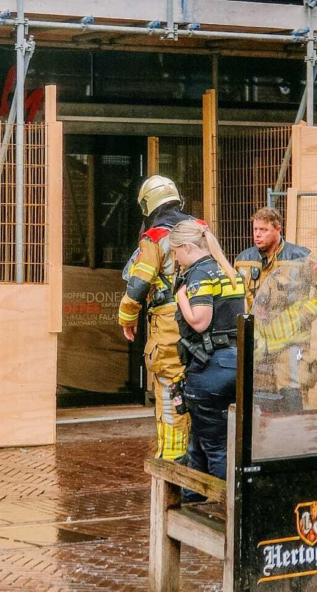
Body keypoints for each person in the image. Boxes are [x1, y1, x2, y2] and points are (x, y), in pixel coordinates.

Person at [119, 175, 196, 462]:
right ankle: (197, 459)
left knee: (169, 392)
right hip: (202, 322)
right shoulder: (200, 229)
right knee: (195, 390)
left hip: (168, 326)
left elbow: (138, 284)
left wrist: (126, 316)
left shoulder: (154, 237)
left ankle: (173, 462)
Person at [233, 207, 317, 407]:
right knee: (261, 401)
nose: (257, 235)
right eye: (255, 229)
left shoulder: (300, 257)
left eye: (263, 230)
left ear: (278, 229)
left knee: (293, 397)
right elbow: (240, 296)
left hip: (291, 343)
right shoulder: (243, 260)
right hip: (259, 345)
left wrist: (309, 311)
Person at [170, 219, 244, 481]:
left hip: (210, 369)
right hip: (236, 364)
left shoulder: (200, 274)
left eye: (176, 252)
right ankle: (193, 499)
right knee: (200, 440)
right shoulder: (226, 269)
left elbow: (200, 321)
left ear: (188, 247)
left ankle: (222, 508)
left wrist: (180, 297)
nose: (176, 259)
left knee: (215, 447)